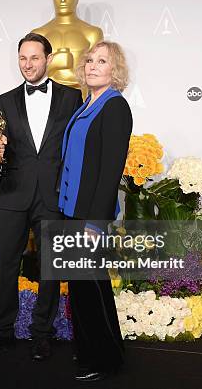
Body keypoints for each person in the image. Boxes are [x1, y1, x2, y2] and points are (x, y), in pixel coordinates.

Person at [0, 33, 82, 360]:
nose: (28, 64)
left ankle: (43, 331)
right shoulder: (5, 100)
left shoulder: (71, 98)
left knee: (50, 268)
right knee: (4, 262)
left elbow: (76, 148)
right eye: (22, 58)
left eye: (34, 58)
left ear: (48, 59)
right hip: (13, 192)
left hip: (53, 194)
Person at [58, 41, 132, 381]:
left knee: (92, 290)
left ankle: (105, 360)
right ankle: (94, 351)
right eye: (89, 59)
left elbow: (109, 172)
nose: (92, 66)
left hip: (89, 216)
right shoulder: (87, 104)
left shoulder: (115, 107)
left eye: (102, 61)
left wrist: (96, 224)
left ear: (114, 70)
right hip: (71, 209)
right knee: (84, 289)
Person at [32, 0, 103, 91]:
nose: (63, 0)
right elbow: (30, 71)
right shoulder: (39, 34)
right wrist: (55, 63)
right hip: (46, 101)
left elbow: (98, 74)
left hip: (81, 101)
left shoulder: (92, 33)